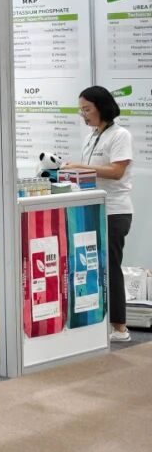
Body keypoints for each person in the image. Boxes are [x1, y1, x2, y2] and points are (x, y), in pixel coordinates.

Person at [71, 85, 135, 341]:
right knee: (93, 267)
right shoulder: (91, 137)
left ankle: (120, 328)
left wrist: (81, 167)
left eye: (87, 109)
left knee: (111, 266)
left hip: (115, 211)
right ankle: (98, 321)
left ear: (102, 107)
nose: (83, 115)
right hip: (92, 208)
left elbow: (117, 172)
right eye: (81, 110)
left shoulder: (120, 135)